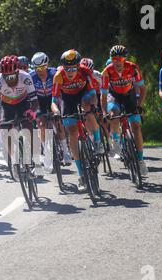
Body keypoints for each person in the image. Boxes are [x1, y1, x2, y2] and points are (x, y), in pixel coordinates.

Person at [51, 50, 101, 191]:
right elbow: (54, 100)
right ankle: (81, 175)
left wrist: (94, 106)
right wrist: (56, 112)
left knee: (88, 108)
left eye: (73, 68)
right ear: (63, 68)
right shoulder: (58, 76)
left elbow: (92, 92)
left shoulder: (85, 71)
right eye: (67, 68)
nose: (70, 71)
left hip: (84, 94)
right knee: (72, 132)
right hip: (68, 100)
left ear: (78, 66)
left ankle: (97, 142)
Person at [101, 45, 148, 175]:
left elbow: (142, 88)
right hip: (113, 96)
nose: (117, 61)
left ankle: (140, 160)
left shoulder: (133, 68)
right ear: (111, 59)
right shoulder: (107, 71)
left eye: (120, 58)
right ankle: (115, 140)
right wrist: (105, 113)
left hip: (129, 95)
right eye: (114, 58)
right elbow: (103, 96)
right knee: (114, 114)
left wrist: (139, 104)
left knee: (136, 126)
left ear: (124, 59)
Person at [30, 52, 72, 167]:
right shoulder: (31, 77)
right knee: (41, 124)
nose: (40, 70)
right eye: (37, 68)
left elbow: (63, 88)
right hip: (39, 101)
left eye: (43, 67)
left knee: (58, 121)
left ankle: (66, 152)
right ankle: (47, 153)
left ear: (47, 65)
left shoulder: (54, 73)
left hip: (53, 99)